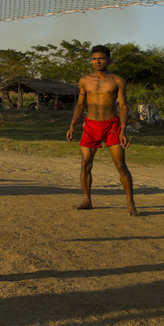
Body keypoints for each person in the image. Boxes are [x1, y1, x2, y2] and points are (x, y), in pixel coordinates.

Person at [66, 45, 139, 216]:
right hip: (90, 125)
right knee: (85, 164)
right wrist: (72, 125)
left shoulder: (118, 81)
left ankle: (130, 202)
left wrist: (123, 130)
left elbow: (123, 106)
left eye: (101, 58)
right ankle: (87, 199)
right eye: (94, 58)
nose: (97, 61)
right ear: (91, 61)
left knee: (120, 165)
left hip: (112, 125)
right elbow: (80, 105)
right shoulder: (84, 81)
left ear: (109, 60)